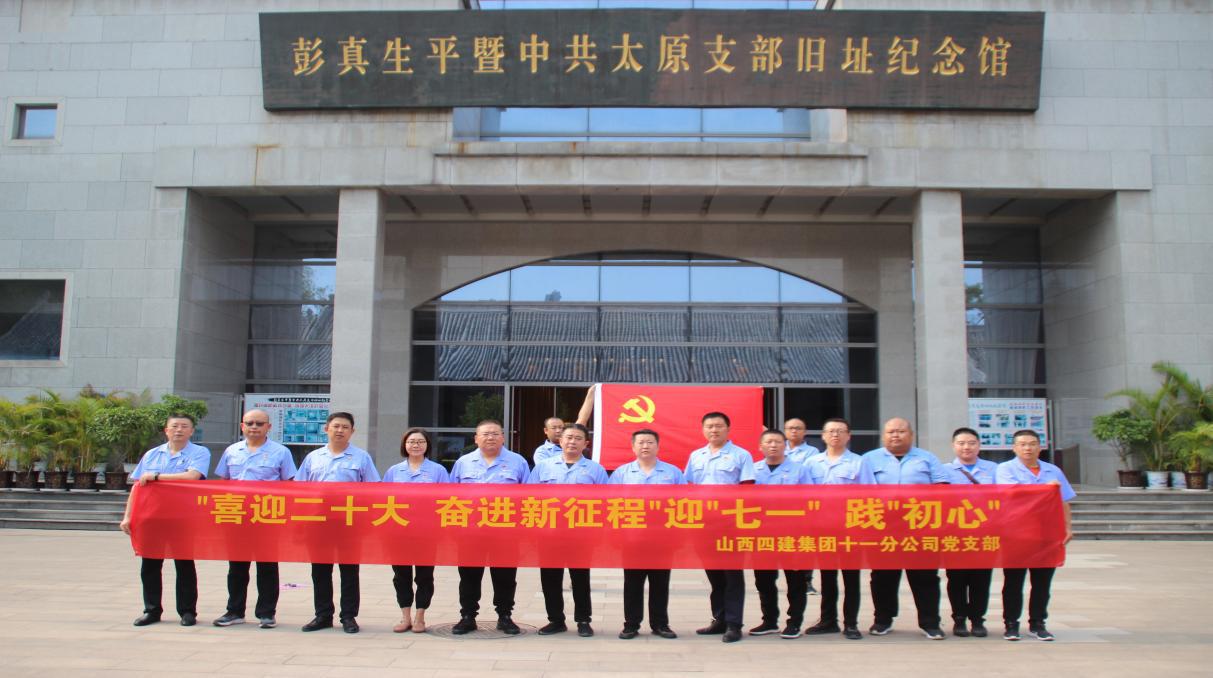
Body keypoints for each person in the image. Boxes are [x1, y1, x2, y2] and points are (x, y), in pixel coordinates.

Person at [859, 417, 950, 640]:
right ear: (883, 436)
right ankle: (883, 620)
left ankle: (930, 623)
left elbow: (942, 487)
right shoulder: (869, 459)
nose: (895, 435)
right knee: (883, 576)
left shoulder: (927, 458)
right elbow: (860, 491)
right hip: (882, 527)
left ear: (911, 435)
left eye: (900, 431)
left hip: (920, 527)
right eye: (891, 432)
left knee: (925, 577)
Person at [122, 413, 212, 627]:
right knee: (150, 565)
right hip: (151, 517)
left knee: (184, 564)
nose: (179, 430)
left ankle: (187, 611)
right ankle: (152, 610)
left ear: (192, 431)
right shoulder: (152, 454)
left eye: (184, 426)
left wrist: (156, 477)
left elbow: (192, 476)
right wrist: (128, 516)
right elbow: (137, 487)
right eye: (175, 426)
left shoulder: (200, 452)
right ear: (166, 430)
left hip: (183, 517)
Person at [295, 411, 380, 634]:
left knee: (349, 571)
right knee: (320, 570)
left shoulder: (362, 458)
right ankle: (322, 615)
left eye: (345, 427)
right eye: (336, 426)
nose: (340, 430)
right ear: (327, 429)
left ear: (352, 431)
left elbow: (372, 490)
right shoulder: (313, 457)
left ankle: (349, 616)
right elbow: (299, 489)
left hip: (349, 523)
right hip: (318, 522)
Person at [211, 409, 297, 630]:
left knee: (267, 567)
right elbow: (223, 482)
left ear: (269, 427)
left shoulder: (281, 452)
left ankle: (266, 613)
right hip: (236, 516)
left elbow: (289, 485)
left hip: (267, 517)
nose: (254, 427)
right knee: (237, 567)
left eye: (260, 423)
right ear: (242, 426)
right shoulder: (232, 451)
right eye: (250, 423)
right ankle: (234, 611)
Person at [449, 419, 532, 635]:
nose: (490, 437)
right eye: (485, 434)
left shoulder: (518, 462)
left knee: (505, 576)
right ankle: (467, 616)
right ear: (476, 438)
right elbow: (450, 496)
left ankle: (505, 616)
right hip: (470, 532)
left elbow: (530, 497)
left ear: (503, 437)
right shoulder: (463, 462)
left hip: (506, 532)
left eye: (495, 433)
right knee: (469, 575)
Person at [528, 423, 608, 637]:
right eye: (568, 437)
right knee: (550, 578)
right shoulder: (543, 467)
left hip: (581, 533)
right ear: (560, 441)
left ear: (586, 443)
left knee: (580, 578)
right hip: (549, 532)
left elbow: (605, 503)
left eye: (578, 438)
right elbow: (530, 498)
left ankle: (583, 620)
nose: (572, 442)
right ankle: (555, 620)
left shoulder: (596, 470)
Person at [996, 429, 1075, 642]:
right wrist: (1044, 489)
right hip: (1016, 533)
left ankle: (1038, 623)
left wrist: (1067, 527)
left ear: (1040, 447)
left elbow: (1063, 500)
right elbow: (1012, 494)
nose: (1028, 448)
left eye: (1032, 444)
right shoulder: (1005, 469)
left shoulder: (1053, 471)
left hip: (1047, 533)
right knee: (1013, 581)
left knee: (1042, 582)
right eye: (1022, 444)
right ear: (1014, 448)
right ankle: (1011, 624)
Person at [686, 411, 755, 643]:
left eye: (718, 426)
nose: (714, 430)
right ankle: (720, 619)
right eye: (709, 426)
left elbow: (747, 489)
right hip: (704, 524)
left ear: (728, 428)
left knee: (732, 574)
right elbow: (689, 488)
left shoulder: (741, 455)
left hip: (730, 523)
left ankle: (734, 624)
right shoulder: (696, 456)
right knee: (714, 573)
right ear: (703, 430)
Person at [609, 428, 683, 640]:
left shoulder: (673, 473)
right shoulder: (622, 473)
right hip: (632, 537)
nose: (645, 446)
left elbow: (683, 503)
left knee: (660, 582)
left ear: (658, 446)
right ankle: (631, 624)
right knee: (632, 582)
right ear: (633, 447)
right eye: (640, 442)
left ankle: (660, 624)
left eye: (650, 442)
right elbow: (611, 503)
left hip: (663, 537)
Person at [804, 417, 874, 640]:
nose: (835, 435)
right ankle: (828, 621)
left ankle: (851, 623)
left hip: (849, 529)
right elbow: (804, 496)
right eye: (831, 431)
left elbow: (869, 495)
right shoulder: (812, 463)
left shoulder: (859, 462)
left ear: (848, 436)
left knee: (851, 578)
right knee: (827, 577)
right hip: (823, 528)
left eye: (840, 431)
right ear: (823, 436)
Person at [382, 427, 449, 634]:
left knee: (424, 575)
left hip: (427, 532)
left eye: (420, 441)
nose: (416, 445)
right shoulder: (394, 471)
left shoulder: (438, 471)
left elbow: (447, 499)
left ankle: (420, 616)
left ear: (427, 445)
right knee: (400, 575)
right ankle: (405, 617)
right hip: (399, 531)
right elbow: (383, 499)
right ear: (405, 445)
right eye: (411, 441)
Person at [750, 429, 815, 639]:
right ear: (760, 447)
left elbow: (810, 500)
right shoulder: (753, 470)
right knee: (764, 580)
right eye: (768, 442)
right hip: (762, 534)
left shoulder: (799, 470)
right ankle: (769, 621)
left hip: (792, 533)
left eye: (778, 442)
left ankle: (794, 622)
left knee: (795, 580)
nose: (773, 445)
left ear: (785, 445)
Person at [944, 427, 998, 639]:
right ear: (953, 446)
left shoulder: (994, 469)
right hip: (954, 533)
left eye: (971, 443)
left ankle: (977, 620)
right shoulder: (944, 470)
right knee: (956, 578)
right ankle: (959, 619)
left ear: (979, 445)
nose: (966, 447)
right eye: (961, 443)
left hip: (984, 533)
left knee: (981, 579)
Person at [782, 417, 821, 595]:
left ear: (804, 432)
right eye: (790, 428)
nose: (794, 431)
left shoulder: (812, 452)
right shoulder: (778, 447)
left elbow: (806, 475)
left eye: (798, 428)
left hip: (802, 505)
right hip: (779, 507)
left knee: (804, 544)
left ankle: (807, 581)